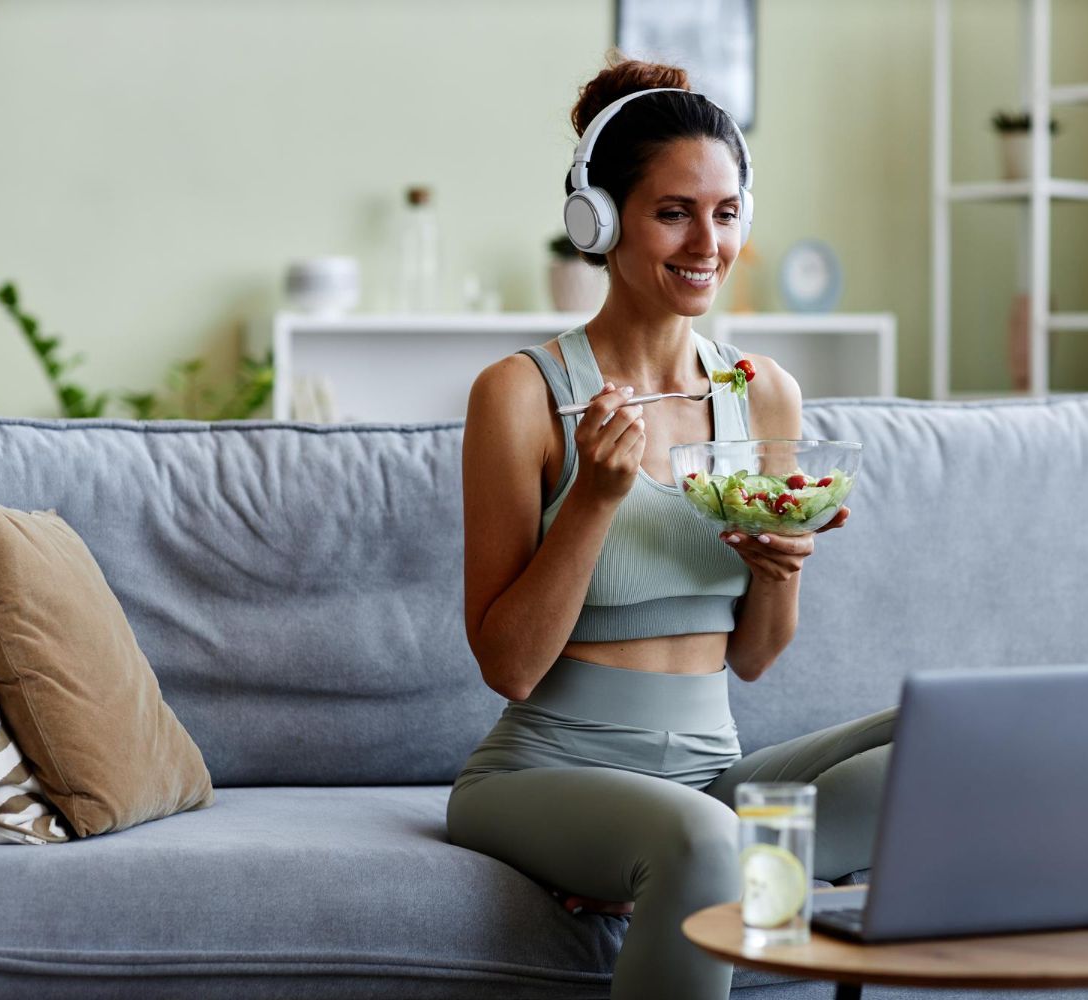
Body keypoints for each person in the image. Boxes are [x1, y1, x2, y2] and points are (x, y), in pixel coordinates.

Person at [446, 56, 894, 1000]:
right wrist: (593, 501)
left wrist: (779, 571)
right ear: (600, 222)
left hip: (711, 780)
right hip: (543, 773)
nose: (707, 243)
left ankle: (697, 880)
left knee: (931, 746)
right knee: (702, 839)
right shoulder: (521, 397)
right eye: (674, 213)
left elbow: (754, 659)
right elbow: (509, 667)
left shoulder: (762, 393)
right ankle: (710, 875)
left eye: (726, 214)